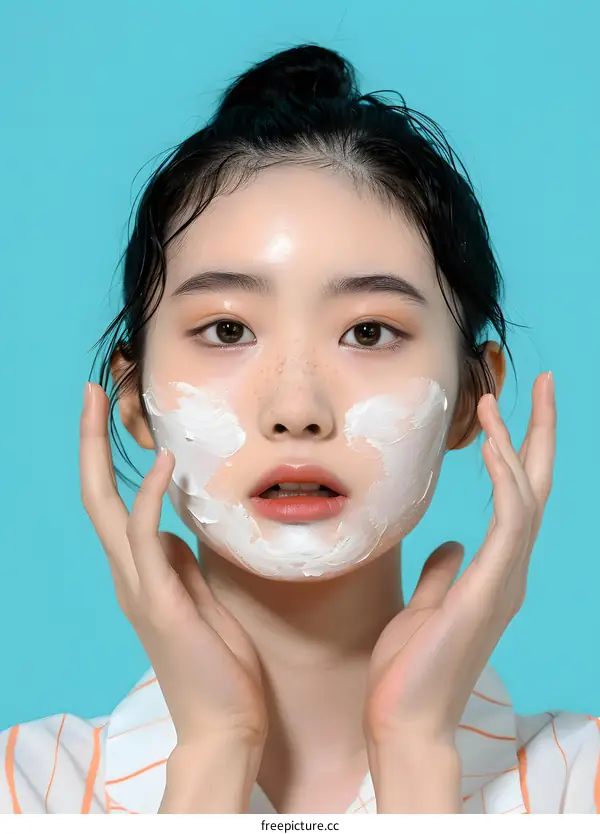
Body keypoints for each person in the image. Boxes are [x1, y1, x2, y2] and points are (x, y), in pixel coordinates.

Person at [1, 43, 598, 815]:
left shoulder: (581, 786)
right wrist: (215, 747)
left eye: (369, 333)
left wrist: (415, 750)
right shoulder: (25, 792)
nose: (296, 408)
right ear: (134, 398)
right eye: (226, 330)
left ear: (469, 398)